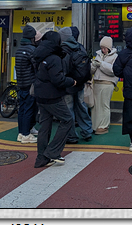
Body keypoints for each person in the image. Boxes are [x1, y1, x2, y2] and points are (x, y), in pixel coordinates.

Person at [31, 30, 76, 168]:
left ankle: (41, 158)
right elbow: (58, 80)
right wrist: (71, 81)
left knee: (44, 126)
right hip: (53, 96)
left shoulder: (39, 55)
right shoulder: (54, 58)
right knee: (67, 120)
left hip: (40, 95)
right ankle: (52, 152)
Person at [59, 27, 93, 143]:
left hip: (68, 84)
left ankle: (72, 135)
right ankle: (87, 131)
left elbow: (62, 68)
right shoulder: (80, 47)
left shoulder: (62, 50)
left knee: (69, 110)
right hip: (80, 83)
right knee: (82, 106)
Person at [14, 25, 40, 144]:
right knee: (29, 109)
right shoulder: (32, 50)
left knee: (22, 108)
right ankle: (26, 134)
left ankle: (22, 132)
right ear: (32, 37)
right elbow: (36, 67)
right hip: (30, 84)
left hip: (21, 83)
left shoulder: (19, 50)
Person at [90, 36, 119, 134]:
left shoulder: (115, 57)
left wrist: (101, 64)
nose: (102, 50)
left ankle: (103, 126)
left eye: (104, 48)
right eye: (101, 47)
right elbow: (92, 71)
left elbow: (113, 70)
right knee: (95, 106)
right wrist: (93, 65)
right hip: (97, 83)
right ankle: (95, 126)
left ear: (109, 48)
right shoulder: (98, 55)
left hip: (107, 83)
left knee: (104, 105)